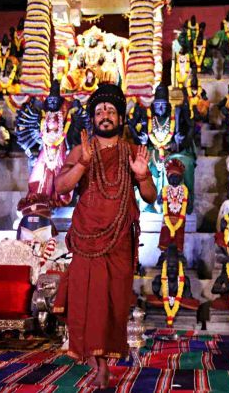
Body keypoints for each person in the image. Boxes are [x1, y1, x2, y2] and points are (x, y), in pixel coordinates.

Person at [53, 84, 156, 388]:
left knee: (113, 303)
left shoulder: (133, 152)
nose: (105, 115)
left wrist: (142, 175)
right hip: (87, 237)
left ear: (120, 118)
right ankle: (98, 364)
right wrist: (83, 163)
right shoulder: (80, 151)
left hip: (119, 238)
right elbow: (60, 187)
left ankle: (103, 359)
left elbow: (150, 196)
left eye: (111, 111)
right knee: (86, 301)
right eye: (99, 111)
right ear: (93, 119)